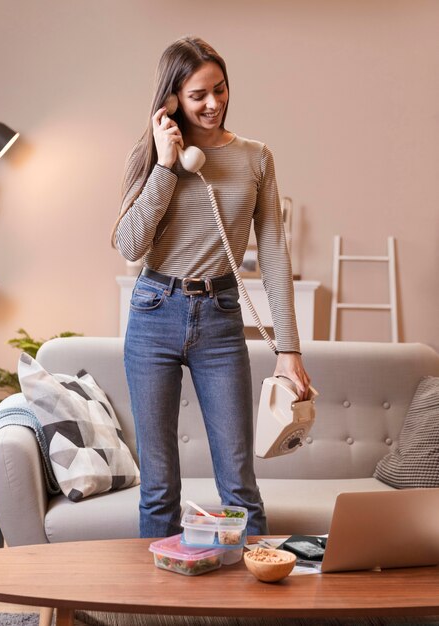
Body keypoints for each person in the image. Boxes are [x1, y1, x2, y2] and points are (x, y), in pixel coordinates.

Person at [111, 35, 311, 539]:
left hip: (221, 317)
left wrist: (289, 350)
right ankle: (155, 613)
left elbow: (272, 254)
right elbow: (131, 245)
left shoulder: (256, 158)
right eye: (198, 94)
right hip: (155, 311)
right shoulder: (156, 154)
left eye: (219, 89)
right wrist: (164, 164)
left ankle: (257, 607)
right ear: (173, 99)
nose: (213, 103)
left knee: (239, 484)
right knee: (159, 487)